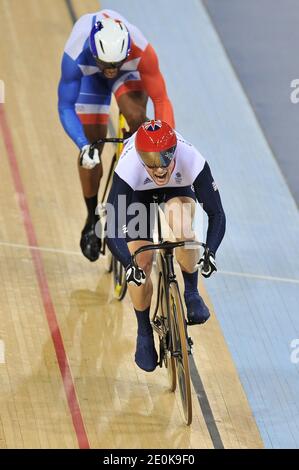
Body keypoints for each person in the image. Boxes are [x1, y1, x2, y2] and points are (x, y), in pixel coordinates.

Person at [106, 120, 226, 372]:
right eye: (151, 165)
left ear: (174, 153)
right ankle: (144, 333)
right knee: (140, 264)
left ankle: (191, 292)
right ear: (141, 160)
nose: (159, 171)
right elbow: (112, 230)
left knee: (182, 227)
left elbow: (217, 214)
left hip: (177, 190)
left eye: (164, 163)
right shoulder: (128, 168)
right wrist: (128, 265)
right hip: (138, 196)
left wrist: (211, 251)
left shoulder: (191, 159)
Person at [58, 9, 175, 262]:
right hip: (91, 77)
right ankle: (92, 218)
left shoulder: (141, 49)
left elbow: (161, 99)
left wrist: (167, 144)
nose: (110, 70)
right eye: (106, 65)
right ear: (93, 49)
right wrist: (83, 145)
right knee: (92, 148)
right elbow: (65, 106)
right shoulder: (75, 53)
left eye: (115, 64)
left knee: (137, 120)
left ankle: (137, 186)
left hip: (129, 73)